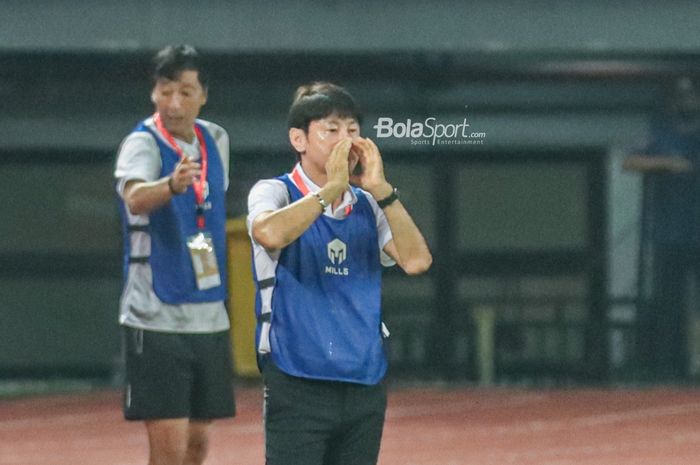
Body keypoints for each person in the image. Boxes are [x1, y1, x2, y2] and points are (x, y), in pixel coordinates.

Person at [247, 82, 432, 465]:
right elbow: (269, 232)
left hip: (362, 379)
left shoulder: (369, 204)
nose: (345, 140)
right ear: (299, 138)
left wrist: (383, 191)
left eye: (352, 130)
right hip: (298, 377)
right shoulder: (275, 191)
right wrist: (331, 188)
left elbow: (417, 261)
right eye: (331, 130)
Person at [114, 44, 235, 465]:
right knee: (169, 451)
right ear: (153, 93)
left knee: (198, 446)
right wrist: (170, 185)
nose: (174, 103)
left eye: (185, 91)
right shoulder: (141, 144)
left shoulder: (216, 138)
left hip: (208, 312)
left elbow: (208, 208)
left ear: (203, 94)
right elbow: (134, 198)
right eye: (165, 91)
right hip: (155, 314)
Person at [623, 76, 700, 380]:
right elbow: (629, 161)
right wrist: (666, 164)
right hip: (670, 233)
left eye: (692, 94)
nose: (688, 101)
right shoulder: (660, 128)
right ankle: (669, 364)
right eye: (682, 95)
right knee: (669, 301)